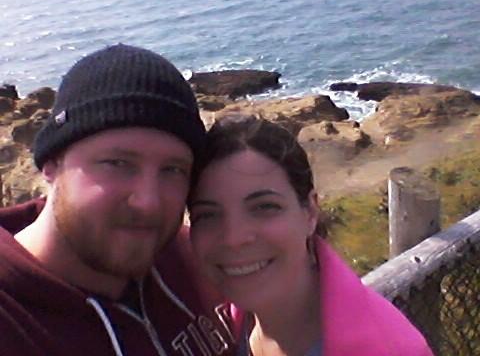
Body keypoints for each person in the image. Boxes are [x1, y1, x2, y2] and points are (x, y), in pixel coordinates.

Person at [0, 44, 235, 356]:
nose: (148, 203)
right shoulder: (12, 322)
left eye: (173, 169)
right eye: (118, 163)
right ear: (51, 165)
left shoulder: (195, 261)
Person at [188, 116, 434, 356]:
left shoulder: (390, 349)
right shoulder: (229, 321)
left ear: (310, 212)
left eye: (264, 207)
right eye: (208, 215)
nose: (234, 238)